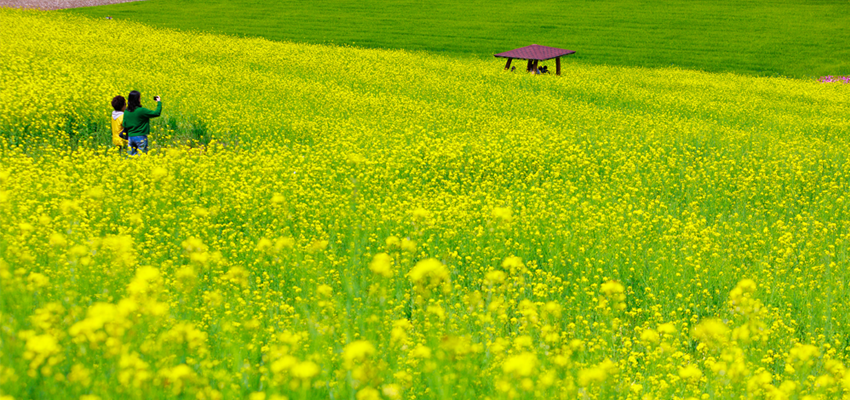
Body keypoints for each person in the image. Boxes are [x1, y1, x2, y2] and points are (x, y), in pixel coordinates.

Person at [123, 90, 162, 155]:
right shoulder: (141, 110)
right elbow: (157, 113)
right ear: (137, 99)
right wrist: (159, 102)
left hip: (130, 137)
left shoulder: (126, 111)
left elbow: (124, 124)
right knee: (142, 157)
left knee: (130, 157)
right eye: (139, 97)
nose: (140, 99)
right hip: (140, 137)